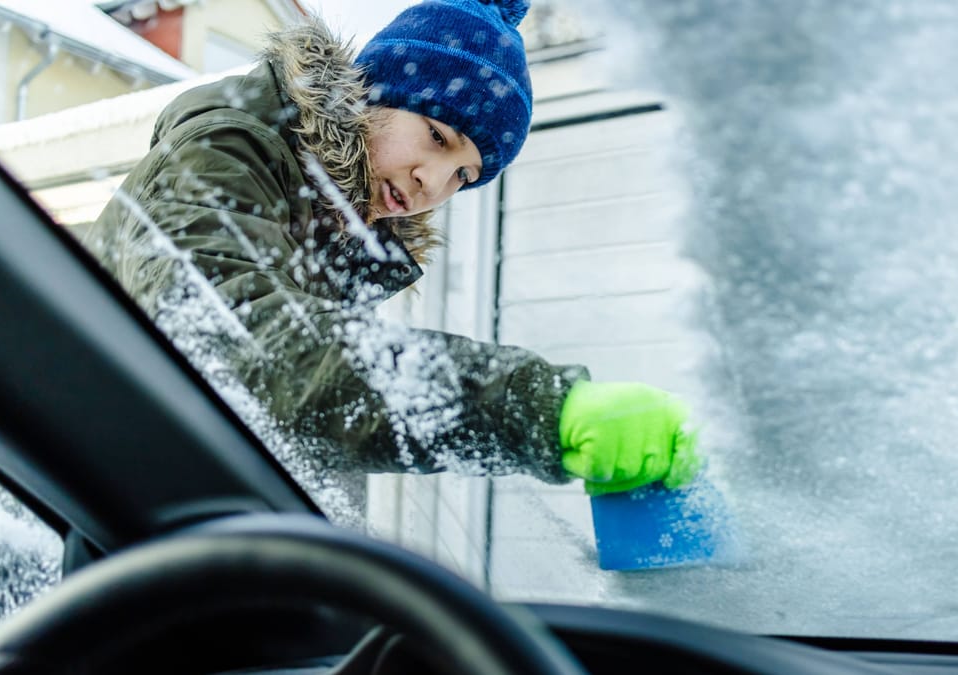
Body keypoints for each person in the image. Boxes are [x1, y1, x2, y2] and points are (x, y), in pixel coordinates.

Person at [79, 0, 700, 496]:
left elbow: (308, 428)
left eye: (464, 175)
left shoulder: (334, 228)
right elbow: (244, 352)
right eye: (435, 136)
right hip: (67, 508)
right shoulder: (224, 152)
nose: (436, 182)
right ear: (372, 94)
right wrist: (542, 409)